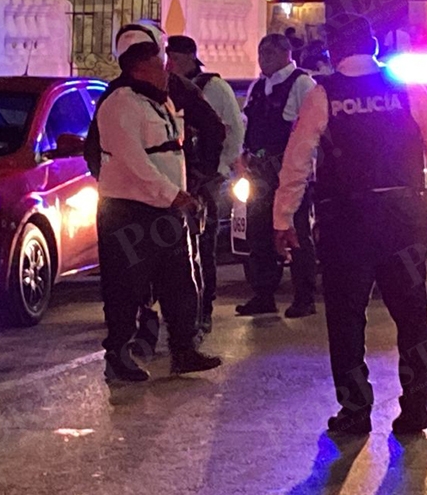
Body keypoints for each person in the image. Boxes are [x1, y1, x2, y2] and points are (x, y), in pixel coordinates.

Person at [274, 15, 427, 436]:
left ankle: (355, 409)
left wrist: (283, 219)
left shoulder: (324, 94)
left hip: (346, 224)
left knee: (346, 318)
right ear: (373, 46)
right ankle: (417, 406)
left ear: (334, 49)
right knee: (411, 314)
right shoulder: (406, 88)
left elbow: (297, 162)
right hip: (403, 218)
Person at [93, 41, 224, 382]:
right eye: (158, 65)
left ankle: (183, 350)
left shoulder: (161, 101)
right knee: (126, 288)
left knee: (180, 282)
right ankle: (119, 356)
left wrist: (184, 191)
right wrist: (172, 194)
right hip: (129, 213)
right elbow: (134, 161)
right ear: (138, 70)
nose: (166, 71)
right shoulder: (119, 105)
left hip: (166, 209)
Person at [166, 35, 245, 332]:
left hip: (206, 179)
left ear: (189, 57)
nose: (169, 64)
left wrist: (219, 169)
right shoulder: (165, 87)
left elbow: (233, 131)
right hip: (176, 178)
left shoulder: (214, 88)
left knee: (203, 245)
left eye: (174, 58)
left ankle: (204, 308)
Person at [236, 34, 318, 319]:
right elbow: (247, 124)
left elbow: (311, 130)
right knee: (258, 232)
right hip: (259, 170)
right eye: (261, 54)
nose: (263, 59)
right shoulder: (259, 86)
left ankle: (304, 297)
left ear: (286, 53)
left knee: (295, 233)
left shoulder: (302, 84)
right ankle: (263, 294)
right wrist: (243, 155)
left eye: (269, 53)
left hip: (288, 172)